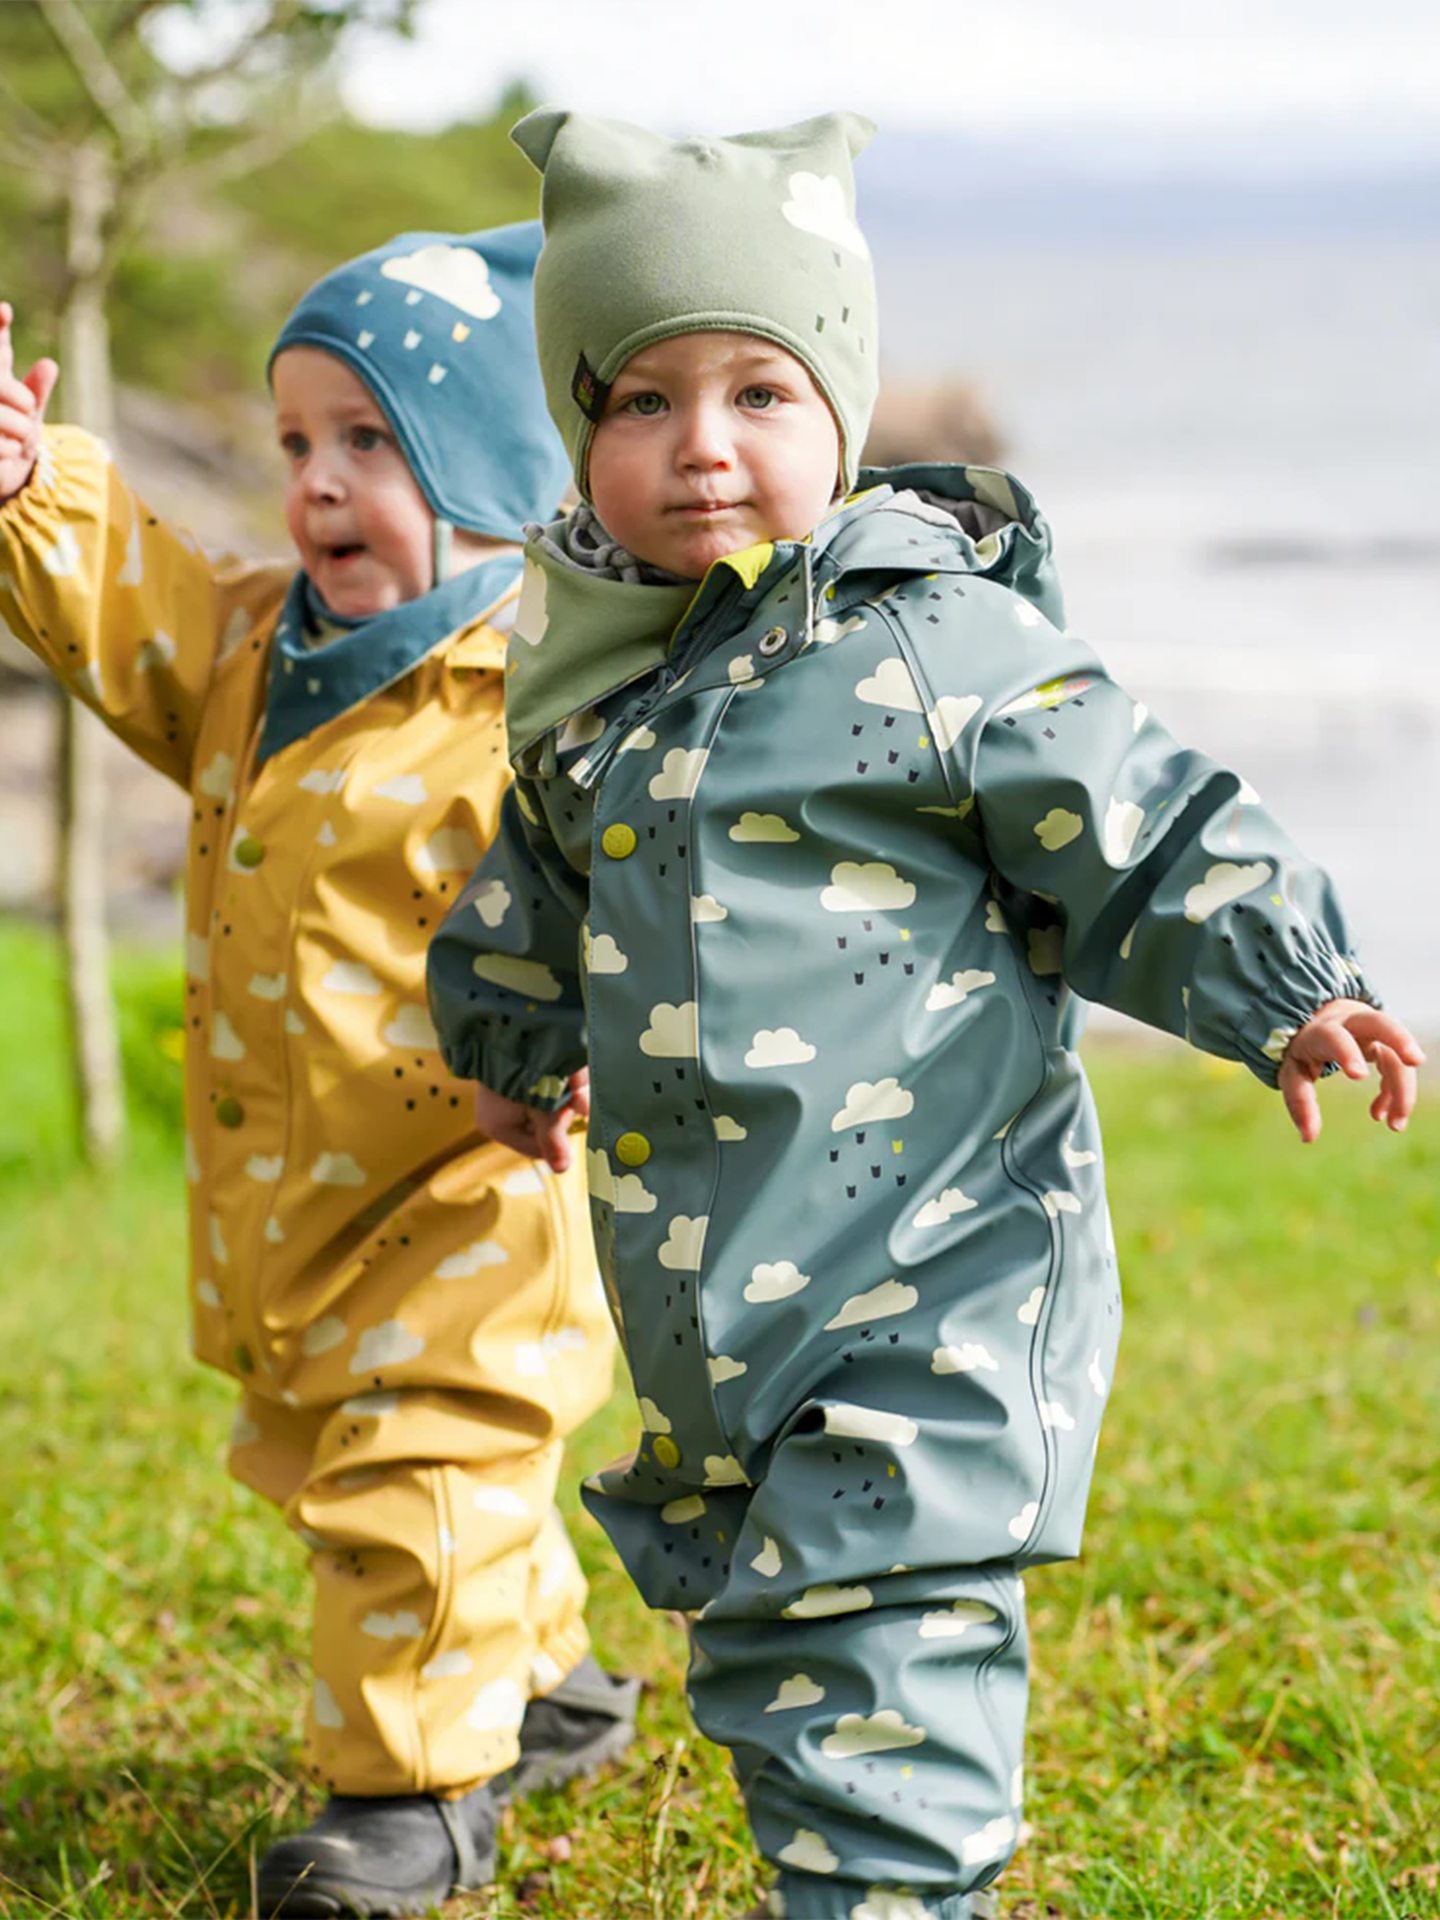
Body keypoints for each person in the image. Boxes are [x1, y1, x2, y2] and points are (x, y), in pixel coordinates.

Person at [426, 114, 1423, 1920]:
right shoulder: (591, 682)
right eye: (641, 399)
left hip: (940, 1280)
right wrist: (508, 1051)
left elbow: (1135, 816)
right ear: (580, 431)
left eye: (759, 392)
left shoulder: (928, 643)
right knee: (762, 1648)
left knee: (879, 1671)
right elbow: (535, 880)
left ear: (846, 412)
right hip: (717, 1299)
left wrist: (1288, 987)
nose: (703, 445)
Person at [0, 222, 639, 1920]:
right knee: (347, 1460)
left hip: (468, 1201)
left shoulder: (533, 703)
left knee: (415, 1474)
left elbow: (632, 897)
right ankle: (552, 1684)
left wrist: (593, 1041)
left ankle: (414, 1799)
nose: (318, 486)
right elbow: (133, 614)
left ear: (494, 472)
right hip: (302, 1200)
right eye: (295, 444)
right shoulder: (254, 650)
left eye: (373, 443)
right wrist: (28, 492)